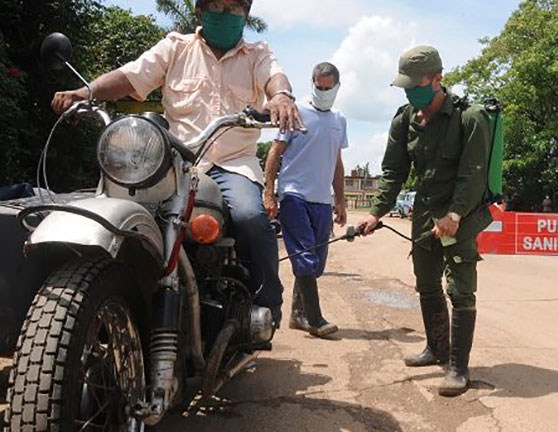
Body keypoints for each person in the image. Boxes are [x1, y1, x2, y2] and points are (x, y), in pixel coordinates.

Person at [51, 0, 303, 325]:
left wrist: (281, 96)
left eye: (233, 9)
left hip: (232, 164)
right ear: (200, 12)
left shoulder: (257, 54)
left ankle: (266, 307)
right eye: (217, 7)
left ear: (246, 14)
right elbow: (131, 76)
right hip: (174, 163)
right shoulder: (176, 48)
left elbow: (275, 78)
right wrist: (86, 92)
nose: (224, 15)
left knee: (250, 216)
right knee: (119, 211)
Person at [359, 45, 493, 397]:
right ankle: (435, 348)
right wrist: (376, 212)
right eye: (405, 86)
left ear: (437, 79)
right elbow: (393, 171)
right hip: (425, 212)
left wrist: (455, 214)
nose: (410, 92)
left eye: (416, 85)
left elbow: (473, 175)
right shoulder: (405, 119)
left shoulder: (469, 118)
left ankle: (458, 368)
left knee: (460, 288)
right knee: (426, 283)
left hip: (460, 214)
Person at [264, 62, 348, 337]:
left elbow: (337, 162)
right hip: (294, 194)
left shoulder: (339, 120)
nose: (323, 91)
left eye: (328, 87)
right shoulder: (296, 111)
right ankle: (315, 319)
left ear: (337, 87)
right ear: (311, 84)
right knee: (304, 258)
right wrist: (270, 192)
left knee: (317, 263)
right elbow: (274, 153)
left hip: (322, 200)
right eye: (318, 87)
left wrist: (340, 200)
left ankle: (298, 314)